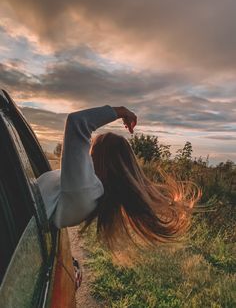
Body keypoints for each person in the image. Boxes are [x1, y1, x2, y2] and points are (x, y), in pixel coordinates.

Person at [37, 105, 200, 251]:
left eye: (92, 147)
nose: (87, 152)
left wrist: (120, 111)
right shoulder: (87, 191)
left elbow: (76, 122)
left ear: (102, 157)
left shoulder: (85, 189)